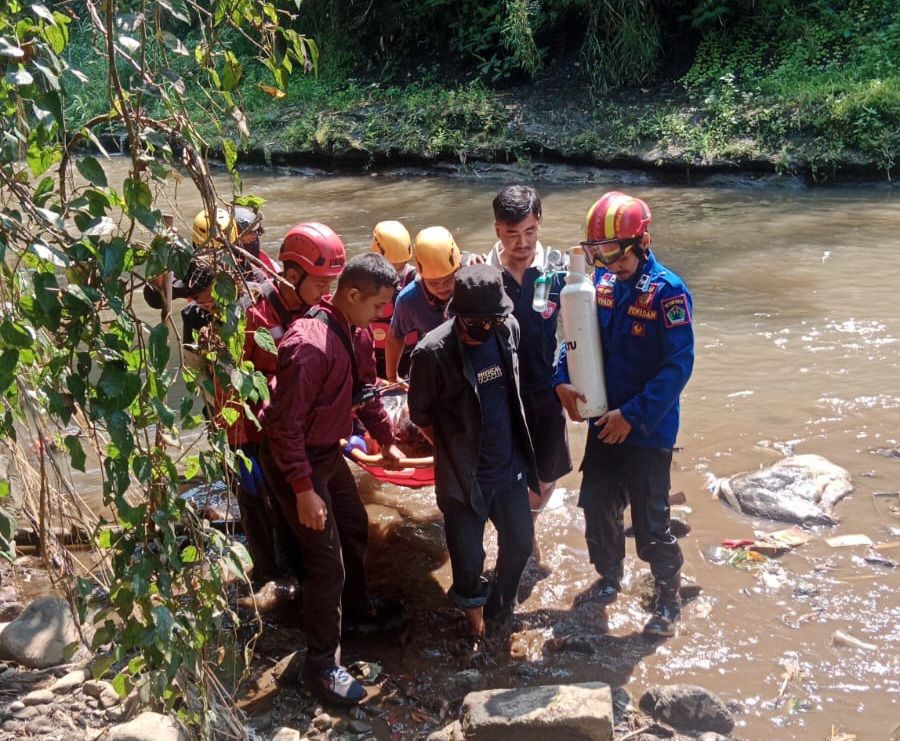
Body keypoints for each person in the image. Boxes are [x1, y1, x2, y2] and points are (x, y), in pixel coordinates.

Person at [259, 252, 406, 705]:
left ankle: (356, 611)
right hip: (296, 461)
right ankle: (322, 665)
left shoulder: (356, 332)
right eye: (379, 305)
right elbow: (283, 430)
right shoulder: (309, 346)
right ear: (352, 294)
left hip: (326, 453)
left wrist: (386, 440)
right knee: (326, 564)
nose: (384, 315)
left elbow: (366, 392)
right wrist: (303, 491)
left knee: (355, 525)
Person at [554, 191, 694, 638]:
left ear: (643, 241)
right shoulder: (601, 286)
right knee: (596, 506)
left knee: (652, 525)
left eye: (614, 253)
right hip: (603, 421)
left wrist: (632, 416)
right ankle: (610, 575)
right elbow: (574, 340)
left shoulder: (668, 292)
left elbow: (678, 366)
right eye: (599, 254)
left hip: (646, 429)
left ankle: (667, 595)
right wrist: (561, 380)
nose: (608, 263)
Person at [407, 264, 536, 644]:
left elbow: (514, 393)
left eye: (494, 319)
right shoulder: (432, 353)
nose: (488, 327)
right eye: (478, 322)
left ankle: (501, 607)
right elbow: (422, 417)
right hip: (464, 479)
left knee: (520, 545)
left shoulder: (506, 330)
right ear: (458, 315)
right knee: (467, 561)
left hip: (508, 468)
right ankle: (474, 629)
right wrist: (453, 451)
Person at [233, 222, 347, 586]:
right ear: (292, 274)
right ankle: (266, 574)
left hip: (292, 429)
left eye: (331, 284)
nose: (326, 292)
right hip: (253, 428)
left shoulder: (318, 306)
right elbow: (230, 379)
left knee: (292, 512)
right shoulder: (253, 313)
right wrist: (238, 441)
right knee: (254, 501)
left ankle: (298, 577)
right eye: (320, 283)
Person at [490, 185, 572, 570]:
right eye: (511, 234)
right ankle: (520, 536)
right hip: (501, 395)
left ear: (539, 224)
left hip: (546, 390)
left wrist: (573, 381)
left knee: (548, 474)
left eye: (529, 232)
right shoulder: (484, 276)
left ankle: (528, 524)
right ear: (497, 231)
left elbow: (577, 332)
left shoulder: (557, 270)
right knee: (505, 475)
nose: (521, 243)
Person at [384, 226, 462, 382]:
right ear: (421, 276)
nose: (442, 289)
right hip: (438, 365)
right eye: (434, 283)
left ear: (458, 269)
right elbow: (395, 337)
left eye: (448, 280)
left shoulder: (473, 283)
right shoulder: (410, 299)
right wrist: (392, 377)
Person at [369, 221, 417, 379]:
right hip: (373, 357)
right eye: (391, 267)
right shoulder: (362, 280)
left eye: (401, 266)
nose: (396, 274)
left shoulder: (414, 279)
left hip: (407, 356)